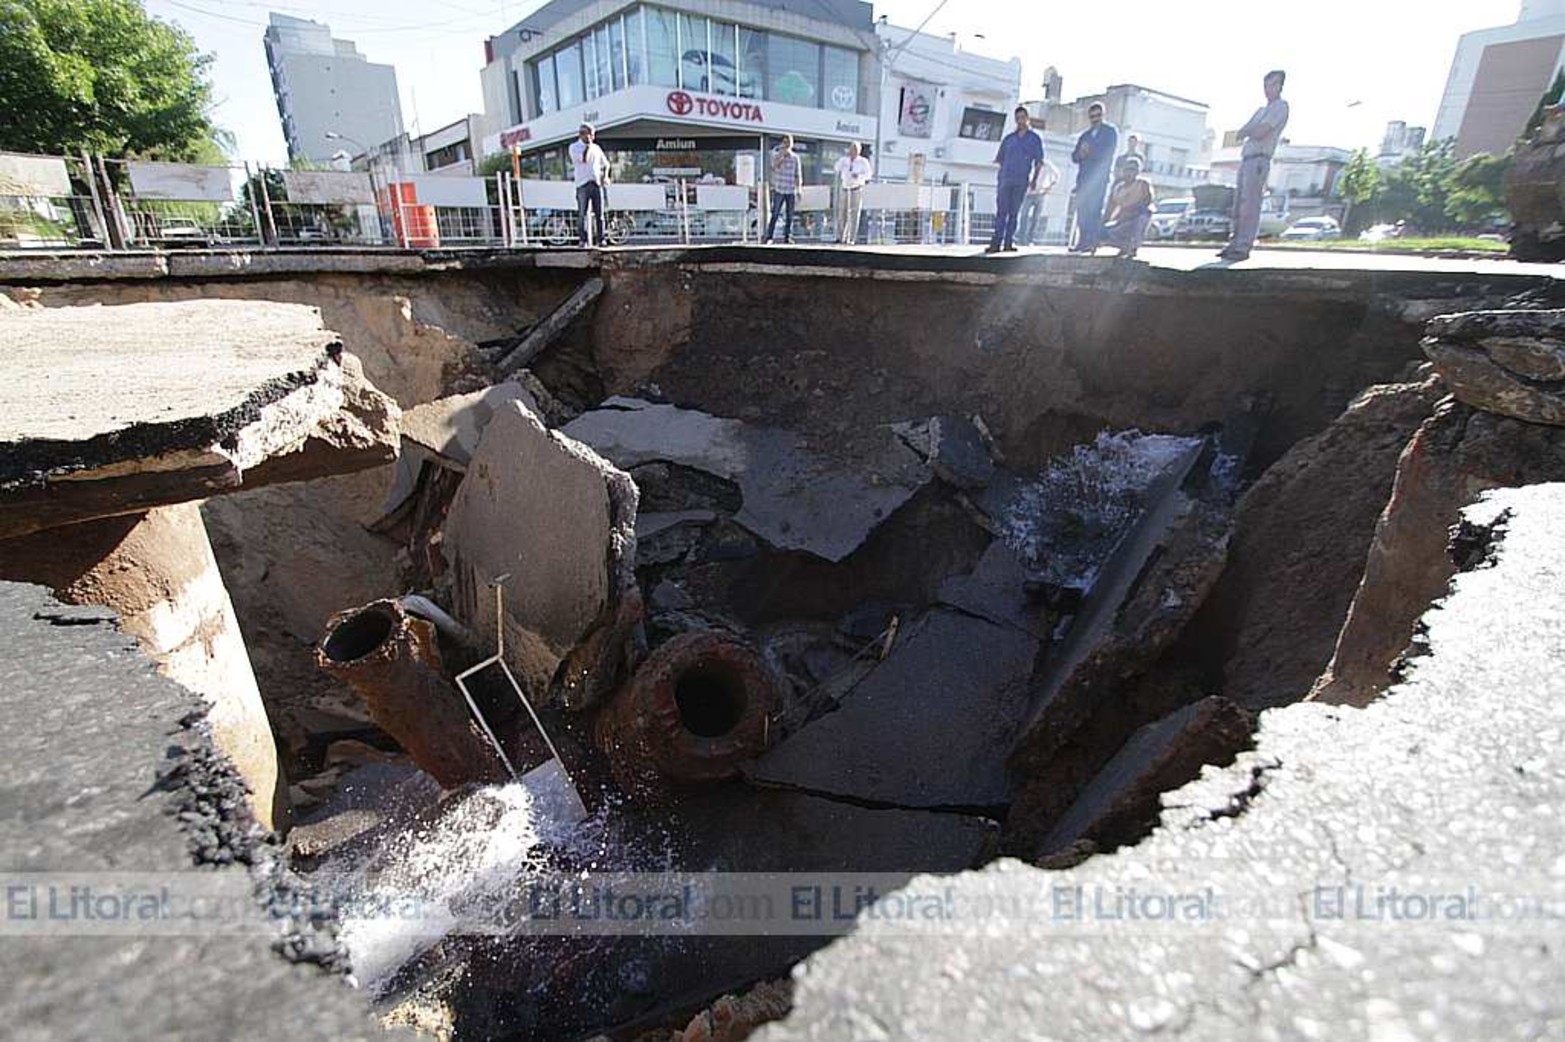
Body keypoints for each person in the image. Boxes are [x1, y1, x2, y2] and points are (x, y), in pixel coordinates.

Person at [1220, 70, 1289, 261]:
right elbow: (1240, 133)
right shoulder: (1261, 110)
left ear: (1280, 86)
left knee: (1250, 204)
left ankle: (1243, 246)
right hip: (1246, 158)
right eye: (1267, 85)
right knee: (1238, 205)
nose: (1269, 89)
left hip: (1260, 158)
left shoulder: (1280, 107)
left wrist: (1250, 131)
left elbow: (1260, 132)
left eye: (1274, 84)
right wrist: (1250, 130)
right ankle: (1233, 243)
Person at [985, 106, 1045, 254]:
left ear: (1028, 118)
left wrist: (1034, 180)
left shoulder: (1034, 139)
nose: (1020, 121)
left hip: (1021, 180)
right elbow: (1000, 159)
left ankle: (1008, 242)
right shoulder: (1009, 139)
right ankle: (996, 242)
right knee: (1001, 211)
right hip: (1005, 179)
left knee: (1014, 212)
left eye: (1023, 117)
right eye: (1017, 118)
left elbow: (1038, 161)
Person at [1069, 102, 1119, 253]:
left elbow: (1108, 154)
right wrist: (1081, 154)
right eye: (1092, 117)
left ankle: (1092, 242)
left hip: (1099, 180)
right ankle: (1083, 241)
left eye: (1098, 116)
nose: (1095, 119)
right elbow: (1074, 157)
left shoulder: (1110, 132)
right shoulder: (1085, 135)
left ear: (1103, 115)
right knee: (1082, 211)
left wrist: (1090, 152)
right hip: (1084, 180)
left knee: (1094, 211)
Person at [1101, 156, 1154, 259]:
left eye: (1133, 170)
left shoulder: (1143, 184)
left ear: (1137, 172)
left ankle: (1133, 248)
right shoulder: (1118, 188)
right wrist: (1103, 223)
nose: (1129, 173)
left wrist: (1132, 212)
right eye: (1127, 169)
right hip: (1123, 219)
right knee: (1107, 232)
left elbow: (1147, 201)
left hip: (1138, 216)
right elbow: (1110, 208)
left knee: (1141, 219)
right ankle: (1123, 247)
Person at [569, 122, 609, 247]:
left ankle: (601, 239)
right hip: (582, 184)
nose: (592, 137)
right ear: (583, 134)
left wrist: (605, 175)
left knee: (599, 213)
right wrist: (587, 147)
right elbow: (583, 159)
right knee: (582, 213)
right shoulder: (574, 147)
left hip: (596, 183)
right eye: (590, 134)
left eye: (593, 134)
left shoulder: (597, 148)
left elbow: (606, 163)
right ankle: (583, 240)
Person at [764, 135, 803, 244]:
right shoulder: (777, 155)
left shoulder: (795, 158)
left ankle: (787, 237)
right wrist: (782, 157)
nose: (786, 144)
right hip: (779, 188)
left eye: (788, 142)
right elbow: (774, 166)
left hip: (790, 189)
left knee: (789, 215)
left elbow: (798, 174)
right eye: (785, 142)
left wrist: (799, 188)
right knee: (775, 213)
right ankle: (769, 236)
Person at [832, 142, 873, 244]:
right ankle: (840, 237)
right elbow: (836, 168)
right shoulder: (844, 160)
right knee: (842, 213)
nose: (853, 151)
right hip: (845, 188)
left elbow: (868, 175)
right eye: (851, 148)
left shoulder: (863, 162)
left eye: (855, 149)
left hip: (856, 188)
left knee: (854, 214)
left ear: (859, 151)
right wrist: (843, 165)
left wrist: (859, 176)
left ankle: (851, 238)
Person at [1017, 156, 1061, 246]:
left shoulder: (1048, 166)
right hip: (1028, 194)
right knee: (1024, 215)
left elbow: (1057, 175)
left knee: (1036, 218)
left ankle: (1030, 239)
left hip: (1040, 193)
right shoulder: (1029, 163)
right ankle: (1021, 239)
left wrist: (1049, 187)